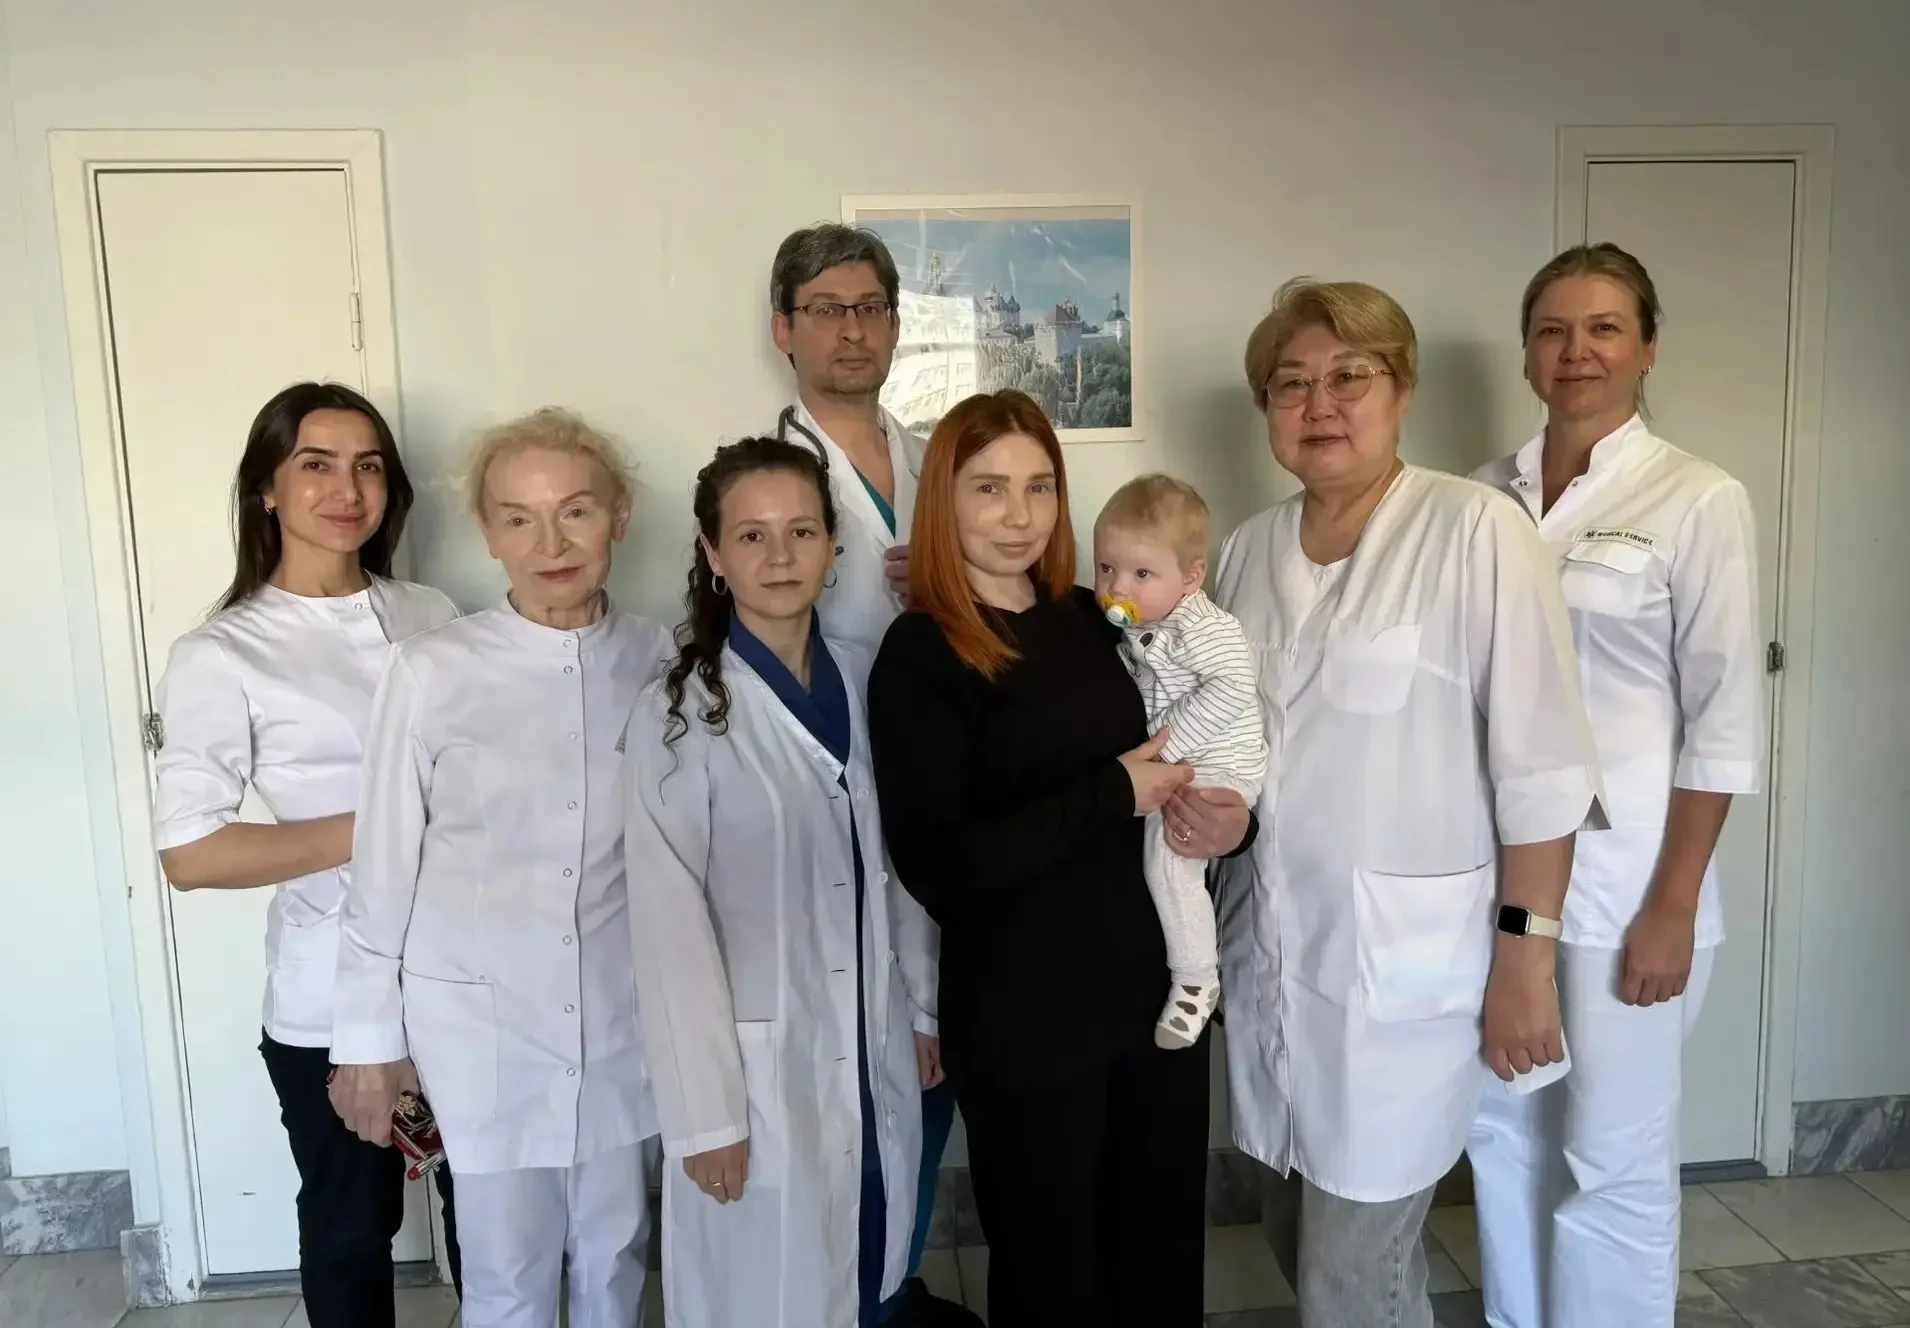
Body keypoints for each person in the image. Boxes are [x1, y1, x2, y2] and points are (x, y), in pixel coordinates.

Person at [1213, 280, 1604, 1328]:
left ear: (1402, 390)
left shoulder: (1474, 529)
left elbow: (1542, 771)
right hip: (1273, 963)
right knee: (1300, 1234)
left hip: (1403, 976)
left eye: (1350, 375)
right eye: (1290, 383)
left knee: (1350, 1276)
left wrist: (1526, 961)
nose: (1319, 403)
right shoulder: (1246, 550)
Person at [868, 391, 1253, 1327]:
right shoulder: (921, 654)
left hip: (1152, 1003)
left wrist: (1232, 820)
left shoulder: (1098, 619)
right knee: (1054, 1280)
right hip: (1027, 1022)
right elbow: (940, 865)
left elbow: (1209, 730)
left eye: (1039, 486)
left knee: (1158, 1262)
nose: (1020, 515)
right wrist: (1111, 792)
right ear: (943, 500)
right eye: (989, 488)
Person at [1466, 244, 1764, 1328]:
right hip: (1499, 885)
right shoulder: (1480, 497)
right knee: (1502, 1133)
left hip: (1629, 886)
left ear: (1646, 348)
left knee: (1612, 1159)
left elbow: (1724, 717)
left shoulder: (1696, 497)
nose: (1575, 350)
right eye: (1552, 329)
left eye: (1603, 328)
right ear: (1526, 352)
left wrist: (1672, 905)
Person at [329, 408, 669, 1328]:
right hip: (481, 1031)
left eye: (575, 512)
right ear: (488, 534)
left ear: (620, 517)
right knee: (507, 1274)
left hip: (622, 1018)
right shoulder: (431, 670)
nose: (550, 544)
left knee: (616, 1256)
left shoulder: (661, 658)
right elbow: (381, 867)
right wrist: (368, 1043)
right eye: (519, 518)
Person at [150, 381, 462, 1327]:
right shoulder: (223, 652)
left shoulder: (433, 612)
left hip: (466, 972)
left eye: (368, 466)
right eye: (316, 465)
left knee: (494, 1213)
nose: (347, 490)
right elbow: (191, 851)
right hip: (328, 993)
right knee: (350, 1229)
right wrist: (384, 827)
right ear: (267, 490)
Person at [621, 436, 935, 1327]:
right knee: (768, 1292)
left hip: (874, 1041)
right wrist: (705, 1116)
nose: (781, 555)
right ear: (714, 555)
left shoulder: (873, 678)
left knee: (868, 1266)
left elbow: (905, 865)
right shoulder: (676, 715)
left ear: (833, 547)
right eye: (751, 536)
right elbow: (668, 930)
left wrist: (923, 1009)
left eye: (801, 531)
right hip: (756, 1069)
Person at [769, 221, 973, 1324]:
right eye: (826, 310)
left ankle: (893, 1284)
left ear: (896, 326)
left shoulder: (937, 457)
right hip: (832, 787)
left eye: (870, 309)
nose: (851, 330)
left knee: (932, 1050)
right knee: (856, 1065)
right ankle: (856, 1296)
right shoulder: (768, 478)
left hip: (948, 784)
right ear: (784, 330)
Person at [1091, 474, 1269, 1049]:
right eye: (1106, 568)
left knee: (1168, 863)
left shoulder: (1203, 627)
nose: (1118, 588)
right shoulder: (1146, 621)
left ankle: (1196, 982)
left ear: (1192, 578)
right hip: (1186, 760)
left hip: (1219, 763)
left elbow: (1232, 686)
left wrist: (1163, 748)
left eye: (1141, 574)